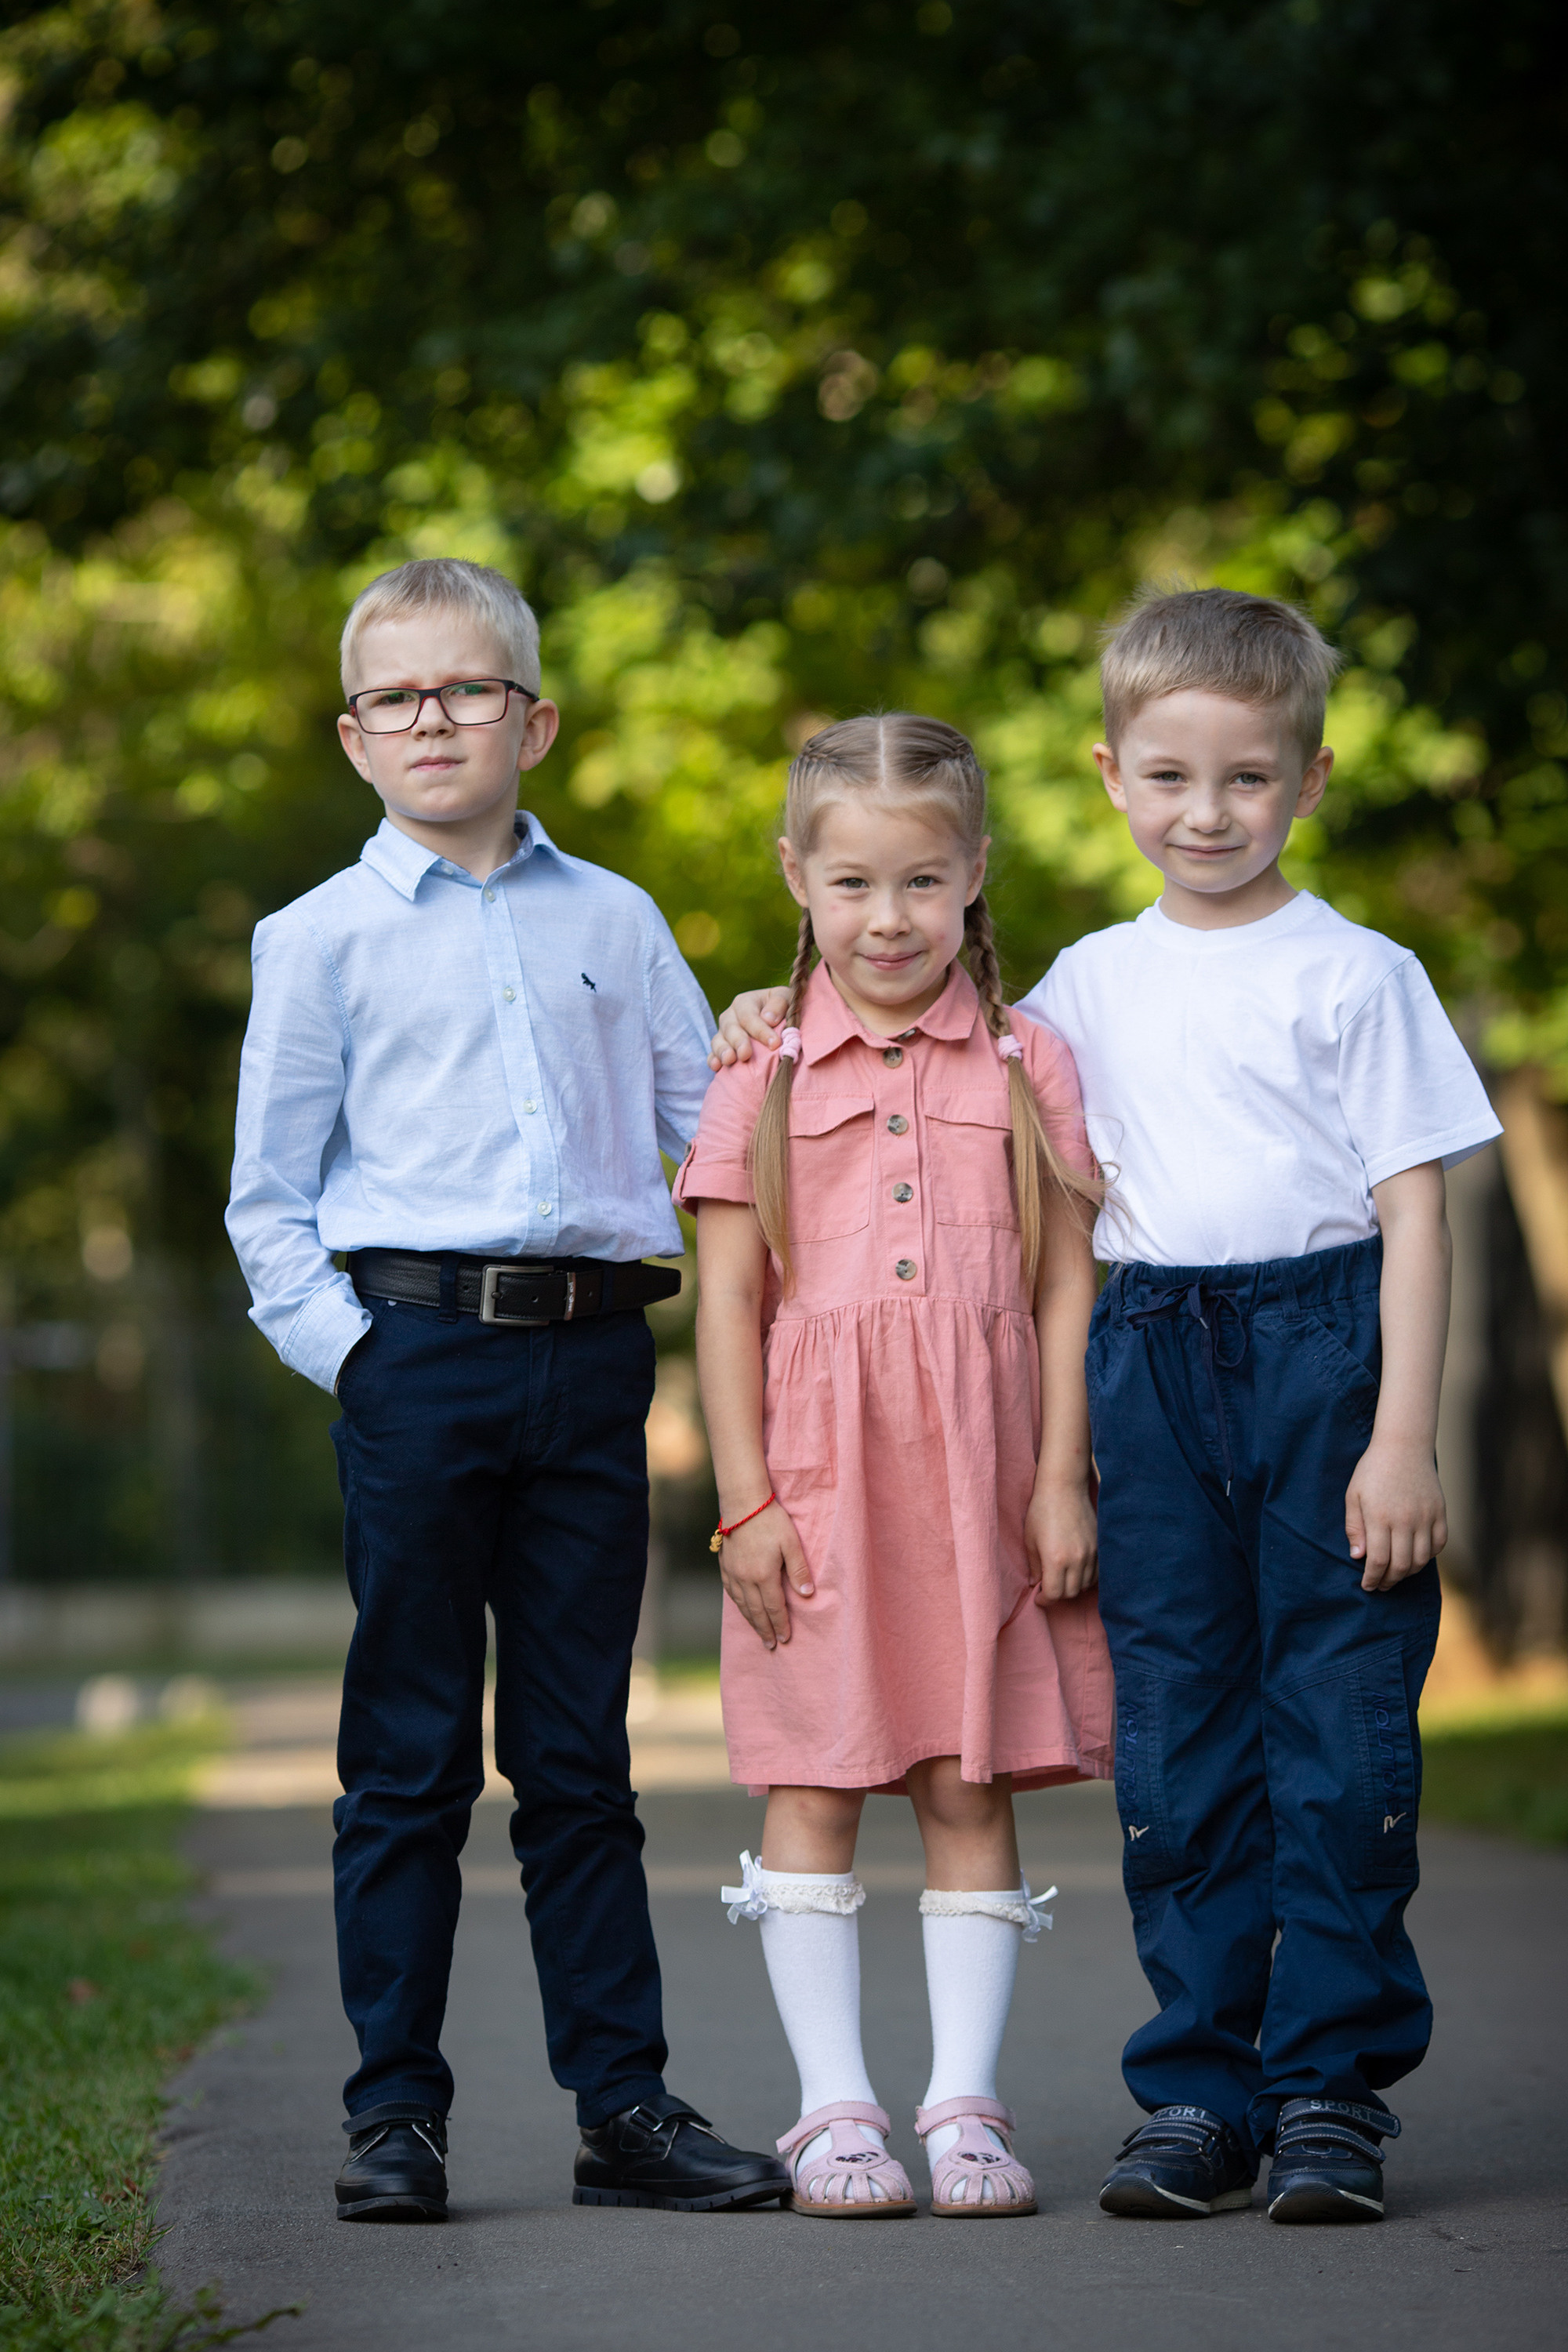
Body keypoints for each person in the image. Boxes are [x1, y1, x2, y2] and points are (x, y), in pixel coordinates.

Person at [712, 590, 1503, 2227]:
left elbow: (1416, 1210)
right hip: (1150, 1362)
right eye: (1167, 778)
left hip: (1323, 1351)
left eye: (1243, 781)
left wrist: (1406, 1433)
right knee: (1180, 1739)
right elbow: (907, 1042)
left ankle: (1329, 2091)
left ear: (1311, 778)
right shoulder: (1070, 995)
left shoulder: (1361, 972)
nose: (1204, 814)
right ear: (1109, 775)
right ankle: (1200, 2094)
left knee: (1340, 1741)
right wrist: (759, 1014)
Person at [226, 557, 788, 2221]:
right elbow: (269, 1197)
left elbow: (717, 1132)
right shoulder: (314, 941)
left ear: (532, 717)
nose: (434, 721)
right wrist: (361, 1358)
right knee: (405, 1759)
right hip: (416, 1362)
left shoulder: (613, 918)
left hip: (594, 1363)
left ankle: (623, 2108)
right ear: (353, 736)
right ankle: (395, 2116)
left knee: (581, 1760)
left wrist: (772, 1031)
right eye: (397, 697)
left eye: (468, 689)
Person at [675, 713, 1114, 2218]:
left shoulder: (1024, 1053)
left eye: (922, 882)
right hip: (816, 1478)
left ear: (975, 873)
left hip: (983, 1470)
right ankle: (832, 2111)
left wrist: (1062, 1474)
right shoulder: (764, 1065)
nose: (888, 918)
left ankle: (966, 2109)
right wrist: (743, 1502)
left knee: (965, 1774)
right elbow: (728, 1300)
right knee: (813, 1775)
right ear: (798, 876)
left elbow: (1066, 1282)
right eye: (853, 883)